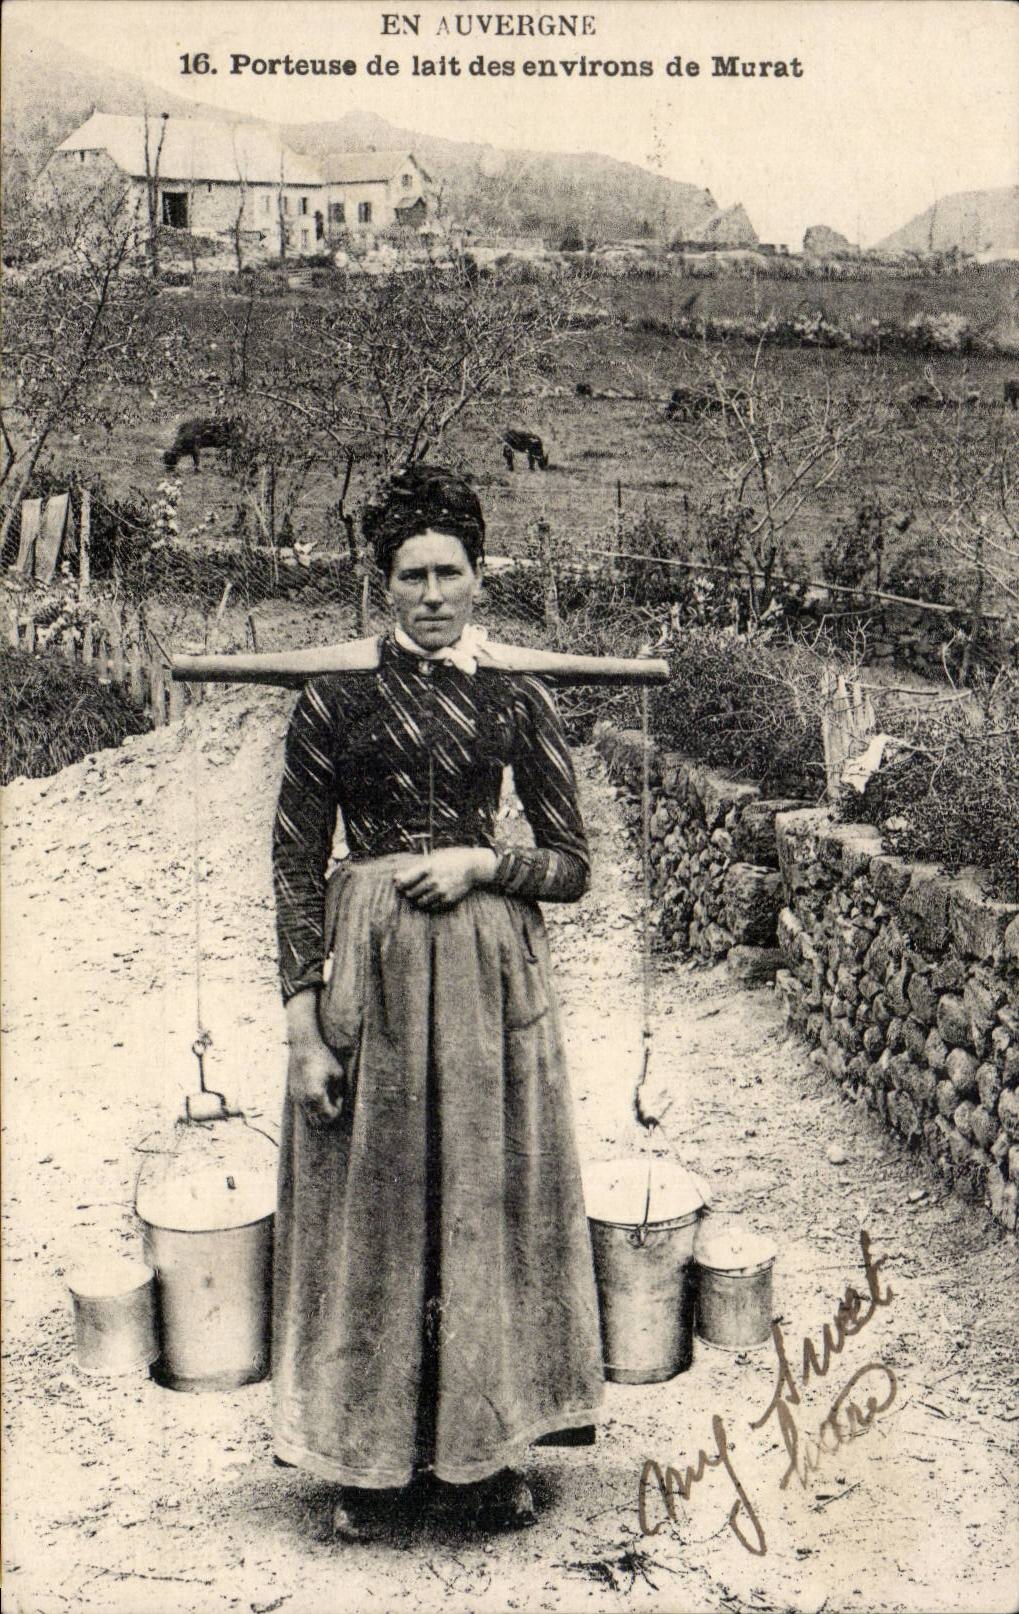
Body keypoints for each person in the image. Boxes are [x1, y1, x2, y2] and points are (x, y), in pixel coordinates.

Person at [271, 465, 604, 1541]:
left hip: (485, 974)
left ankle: (486, 1455)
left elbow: (569, 864)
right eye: (409, 575)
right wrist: (302, 1027)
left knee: (484, 1198)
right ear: (383, 588)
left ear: (477, 578)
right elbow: (290, 868)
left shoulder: (516, 700)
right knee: (370, 1208)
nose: (430, 594)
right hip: (367, 969)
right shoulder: (332, 703)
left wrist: (479, 861)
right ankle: (364, 1462)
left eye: (447, 573)